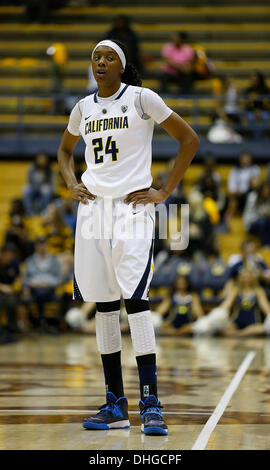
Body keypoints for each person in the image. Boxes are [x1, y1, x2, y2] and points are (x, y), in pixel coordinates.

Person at [57, 38, 199, 436]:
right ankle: (114, 403)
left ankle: (150, 402)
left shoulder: (141, 99)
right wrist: (70, 183)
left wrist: (165, 191)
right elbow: (64, 151)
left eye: (108, 58)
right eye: (95, 58)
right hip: (92, 213)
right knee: (103, 305)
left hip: (132, 208)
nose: (100, 62)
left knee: (136, 301)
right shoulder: (82, 108)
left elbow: (189, 140)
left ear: (121, 66)